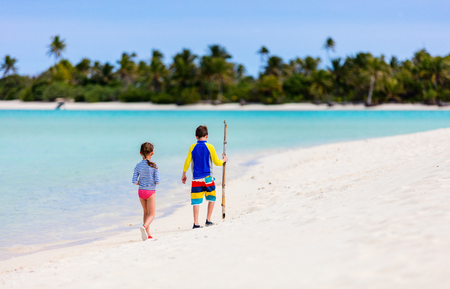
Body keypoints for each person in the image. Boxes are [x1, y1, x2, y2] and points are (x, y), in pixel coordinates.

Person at [182, 125, 228, 229]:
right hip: (208, 178)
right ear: (207, 136)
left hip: (196, 179)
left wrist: (184, 173)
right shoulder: (210, 147)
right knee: (212, 198)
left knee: (196, 202)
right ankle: (208, 220)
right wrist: (224, 160)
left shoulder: (192, 147)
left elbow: (187, 162)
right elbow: (217, 162)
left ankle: (196, 223)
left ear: (196, 136)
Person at [132, 142, 160, 241]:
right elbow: (157, 181)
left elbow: (134, 181)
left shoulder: (138, 165)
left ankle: (147, 234)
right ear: (152, 153)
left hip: (141, 192)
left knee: (145, 212)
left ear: (140, 153)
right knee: (152, 214)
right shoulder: (154, 165)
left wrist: (141, 182)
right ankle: (144, 227)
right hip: (150, 192)